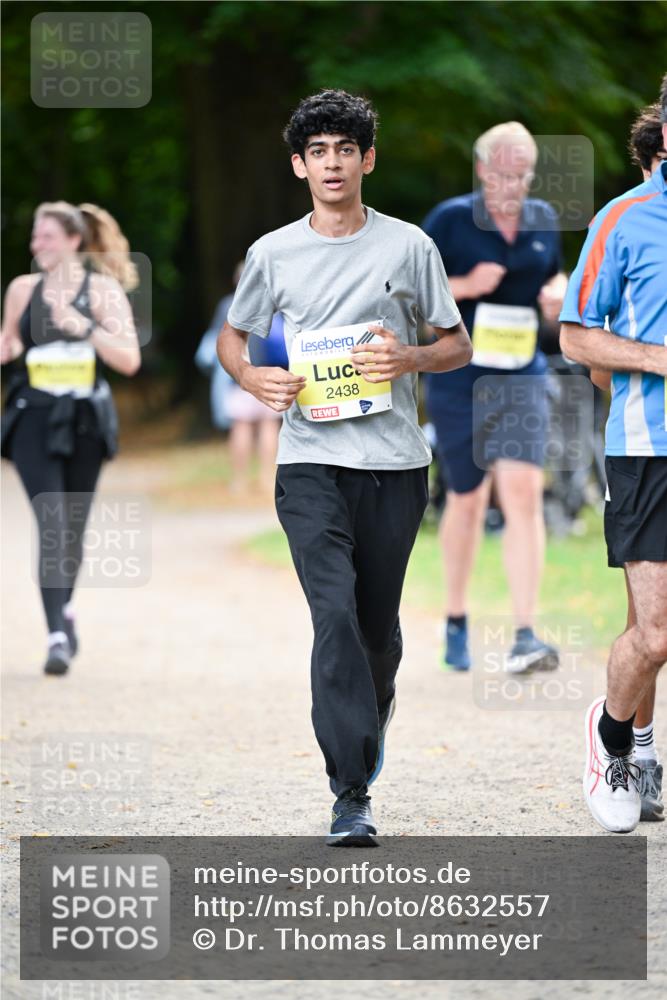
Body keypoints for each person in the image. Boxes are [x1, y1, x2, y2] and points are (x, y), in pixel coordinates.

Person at [217, 89, 471, 845]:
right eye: (318, 151)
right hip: (309, 462)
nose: (332, 163)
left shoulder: (409, 246)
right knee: (332, 614)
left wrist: (409, 358)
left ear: (367, 160)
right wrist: (250, 377)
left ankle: (372, 704)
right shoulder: (272, 253)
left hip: (394, 464)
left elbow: (456, 345)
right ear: (300, 166)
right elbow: (234, 337)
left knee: (373, 632)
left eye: (345, 150)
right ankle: (350, 791)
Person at [559, 75, 667, 834]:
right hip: (647, 449)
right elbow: (576, 338)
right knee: (655, 633)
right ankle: (615, 738)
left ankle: (645, 747)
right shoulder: (623, 219)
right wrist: (657, 361)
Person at [422, 122, 567, 674]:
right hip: (459, 376)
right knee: (468, 497)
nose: (512, 185)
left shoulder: (543, 220)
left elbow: (552, 286)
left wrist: (556, 296)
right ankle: (456, 617)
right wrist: (463, 286)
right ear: (482, 169)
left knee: (523, 493)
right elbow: (408, 298)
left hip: (521, 373)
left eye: (522, 175)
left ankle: (525, 633)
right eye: (503, 174)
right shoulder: (449, 220)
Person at [1, 201, 141, 675]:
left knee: (72, 530)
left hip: (83, 421)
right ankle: (56, 637)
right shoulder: (22, 289)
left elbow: (128, 360)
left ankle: (64, 607)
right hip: (33, 418)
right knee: (52, 521)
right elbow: (9, 341)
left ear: (74, 241)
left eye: (46, 236)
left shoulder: (101, 290)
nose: (36, 244)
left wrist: (83, 326)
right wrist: (9, 347)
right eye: (34, 235)